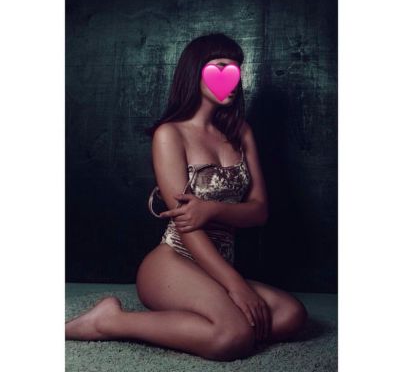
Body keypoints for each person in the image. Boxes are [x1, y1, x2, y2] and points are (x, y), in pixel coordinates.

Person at [65, 33, 308, 361]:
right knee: (233, 337)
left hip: (218, 266)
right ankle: (110, 321)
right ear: (195, 71)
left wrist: (211, 209)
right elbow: (187, 225)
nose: (232, 79)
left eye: (236, 70)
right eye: (220, 67)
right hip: (173, 262)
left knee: (291, 315)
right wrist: (236, 286)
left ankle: (207, 317)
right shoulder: (170, 134)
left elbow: (260, 211)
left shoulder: (242, 133)